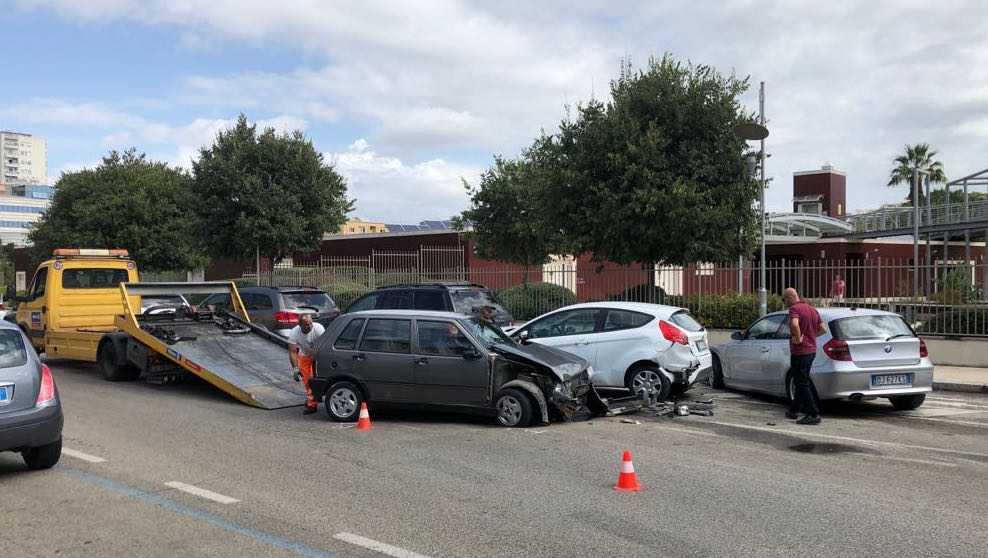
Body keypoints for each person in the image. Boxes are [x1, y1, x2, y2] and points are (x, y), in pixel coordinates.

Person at [784, 288, 826, 425]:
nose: (784, 303)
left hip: (800, 351)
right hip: (811, 350)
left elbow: (795, 324)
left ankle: (813, 413)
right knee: (801, 380)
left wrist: (798, 338)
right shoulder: (812, 309)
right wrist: (811, 337)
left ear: (790, 297)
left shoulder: (794, 309)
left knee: (801, 382)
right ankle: (794, 410)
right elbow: (823, 329)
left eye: (784, 299)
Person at [288, 314, 325, 415]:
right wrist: (295, 368)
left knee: (318, 378)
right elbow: (292, 351)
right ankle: (312, 404)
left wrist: (316, 358)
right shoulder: (294, 333)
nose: (310, 326)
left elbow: (325, 346)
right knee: (308, 381)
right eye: (306, 325)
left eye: (310, 323)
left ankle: (316, 397)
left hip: (319, 354)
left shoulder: (318, 329)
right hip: (305, 355)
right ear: (300, 325)